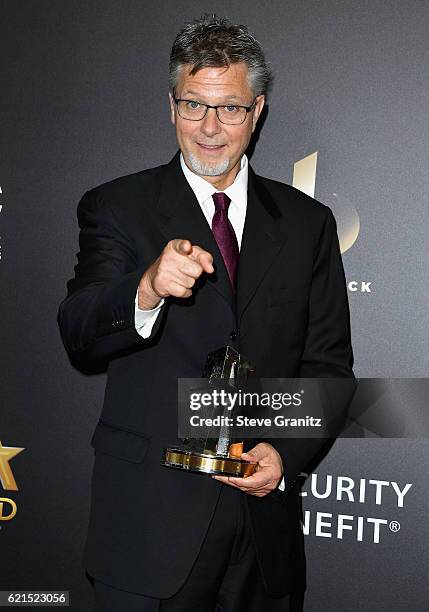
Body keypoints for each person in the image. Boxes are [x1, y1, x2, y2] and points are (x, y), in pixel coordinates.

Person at [58, 14, 354, 612]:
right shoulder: (118, 206)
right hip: (148, 531)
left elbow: (328, 367)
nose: (211, 128)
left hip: (262, 537)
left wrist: (283, 453)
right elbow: (79, 332)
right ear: (171, 106)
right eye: (194, 105)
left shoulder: (307, 224)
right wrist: (144, 290)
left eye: (231, 109)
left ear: (259, 109)